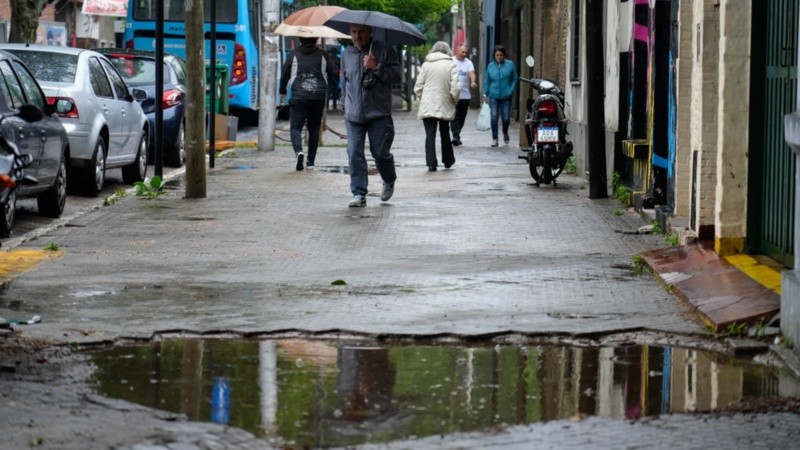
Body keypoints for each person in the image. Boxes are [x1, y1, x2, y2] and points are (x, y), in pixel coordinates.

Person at [340, 24, 401, 207]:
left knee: (380, 154)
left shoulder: (385, 50)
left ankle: (389, 179)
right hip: (353, 114)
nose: (357, 36)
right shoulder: (347, 54)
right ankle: (359, 193)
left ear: (370, 32)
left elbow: (397, 78)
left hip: (378, 113)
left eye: (361, 32)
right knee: (354, 152)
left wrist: (376, 66)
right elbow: (345, 81)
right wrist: (344, 103)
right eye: (354, 32)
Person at [280, 37, 339, 170]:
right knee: (314, 128)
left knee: (295, 128)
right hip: (318, 96)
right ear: (316, 39)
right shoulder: (323, 54)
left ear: (300, 39)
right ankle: (310, 162)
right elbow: (334, 73)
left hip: (299, 96)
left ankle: (298, 152)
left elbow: (285, 73)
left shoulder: (294, 54)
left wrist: (282, 90)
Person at [413, 41, 460, 171]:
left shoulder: (426, 64)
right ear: (447, 51)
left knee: (430, 133)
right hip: (444, 103)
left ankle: (431, 163)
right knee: (444, 132)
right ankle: (448, 160)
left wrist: (422, 97)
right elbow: (455, 87)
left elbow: (418, 86)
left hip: (428, 103)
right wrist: (454, 100)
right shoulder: (451, 65)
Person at [482, 44, 518, 147]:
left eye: (501, 55)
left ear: (504, 55)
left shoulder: (510, 65)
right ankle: (495, 139)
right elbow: (487, 81)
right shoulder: (490, 66)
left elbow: (515, 78)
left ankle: (505, 132)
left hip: (506, 96)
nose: (499, 57)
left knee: (506, 118)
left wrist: (511, 90)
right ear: (494, 55)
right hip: (493, 95)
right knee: (494, 117)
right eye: (497, 55)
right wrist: (485, 94)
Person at [450, 43, 477, 146]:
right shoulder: (451, 61)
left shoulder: (468, 62)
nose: (464, 54)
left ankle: (457, 135)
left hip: (465, 95)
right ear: (457, 50)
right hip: (453, 94)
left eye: (466, 52)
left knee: (462, 117)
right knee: (454, 116)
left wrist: (473, 81)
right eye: (463, 52)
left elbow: (472, 73)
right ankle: (455, 136)